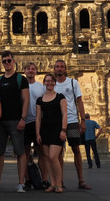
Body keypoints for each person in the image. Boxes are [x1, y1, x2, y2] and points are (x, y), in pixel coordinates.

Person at [0, 51, 30, 193]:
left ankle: (21, 182)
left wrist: (23, 119)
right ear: (1, 63)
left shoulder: (21, 79)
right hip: (0, 121)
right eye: (4, 61)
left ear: (14, 61)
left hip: (16, 120)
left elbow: (26, 100)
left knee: (20, 152)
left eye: (9, 60)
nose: (7, 63)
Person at [53, 60, 92, 190]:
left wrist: (83, 120)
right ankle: (60, 181)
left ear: (65, 69)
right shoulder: (51, 84)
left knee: (76, 149)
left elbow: (79, 102)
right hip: (57, 122)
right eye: (57, 67)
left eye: (62, 67)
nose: (59, 69)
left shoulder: (72, 82)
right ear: (54, 69)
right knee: (58, 153)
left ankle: (81, 180)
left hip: (72, 121)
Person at [35, 74, 68, 193]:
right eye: (47, 81)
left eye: (51, 81)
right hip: (44, 130)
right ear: (44, 83)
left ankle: (59, 183)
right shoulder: (40, 99)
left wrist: (64, 130)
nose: (49, 83)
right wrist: (38, 134)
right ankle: (52, 183)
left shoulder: (60, 97)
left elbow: (65, 114)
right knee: (47, 158)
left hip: (57, 130)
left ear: (55, 83)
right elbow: (38, 118)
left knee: (53, 157)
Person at [22, 62, 49, 189]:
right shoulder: (21, 86)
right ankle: (27, 180)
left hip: (39, 122)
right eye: (28, 69)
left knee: (42, 151)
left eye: (33, 69)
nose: (30, 71)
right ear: (24, 72)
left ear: (36, 72)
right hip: (25, 122)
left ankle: (44, 179)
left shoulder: (41, 87)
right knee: (25, 152)